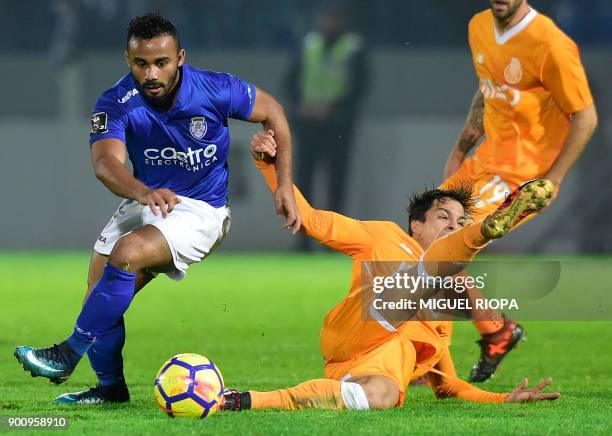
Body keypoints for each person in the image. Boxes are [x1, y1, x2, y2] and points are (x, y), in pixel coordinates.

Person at [14, 12, 300, 405]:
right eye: (141, 63)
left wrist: (284, 184)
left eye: (161, 63)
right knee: (98, 296)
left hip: (202, 210)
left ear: (179, 58)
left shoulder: (215, 89)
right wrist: (142, 190)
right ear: (127, 60)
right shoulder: (115, 102)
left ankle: (67, 353)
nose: (151, 73)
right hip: (147, 198)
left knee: (126, 254)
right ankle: (111, 389)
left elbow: (274, 112)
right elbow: (105, 164)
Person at [221, 130, 559, 411]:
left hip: (369, 369)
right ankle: (484, 231)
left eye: (460, 223)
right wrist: (269, 164)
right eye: (443, 218)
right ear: (416, 225)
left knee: (379, 397)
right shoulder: (380, 235)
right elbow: (309, 219)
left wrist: (503, 398)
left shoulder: (443, 311)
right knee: (423, 279)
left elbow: (447, 386)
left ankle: (240, 400)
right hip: (356, 328)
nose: (452, 226)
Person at [439, 0, 598, 382]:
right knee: (419, 242)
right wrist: (461, 149)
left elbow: (586, 116)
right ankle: (495, 331)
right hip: (483, 161)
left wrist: (553, 179)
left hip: (520, 178)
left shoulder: (550, 44)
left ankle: (425, 357)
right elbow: (487, 90)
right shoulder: (478, 26)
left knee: (441, 251)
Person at [285, 4, 369, 249]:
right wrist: (300, 105)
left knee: (336, 184)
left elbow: (360, 86)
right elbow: (291, 80)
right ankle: (303, 240)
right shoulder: (308, 44)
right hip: (308, 124)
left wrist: (333, 109)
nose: (330, 23)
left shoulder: (354, 46)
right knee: (304, 184)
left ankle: (333, 240)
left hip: (338, 125)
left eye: (334, 18)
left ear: (342, 21)